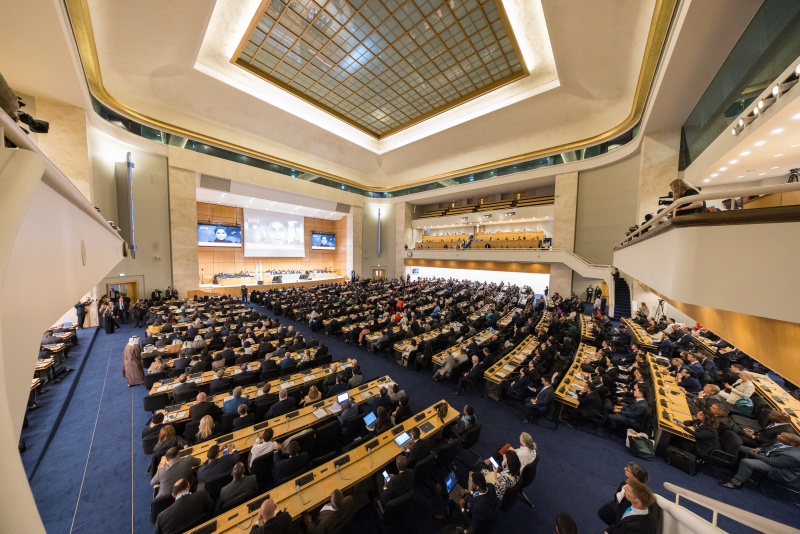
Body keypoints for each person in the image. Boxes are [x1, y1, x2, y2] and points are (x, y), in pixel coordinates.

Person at [720, 432, 800, 489]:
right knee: (739, 448)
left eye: (783, 437)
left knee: (747, 462)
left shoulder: (792, 456)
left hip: (778, 469)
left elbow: (773, 462)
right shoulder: (782, 441)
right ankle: (732, 465)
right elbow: (767, 447)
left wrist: (756, 455)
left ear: (792, 443)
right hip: (767, 456)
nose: (779, 436)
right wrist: (758, 449)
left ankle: (736, 483)